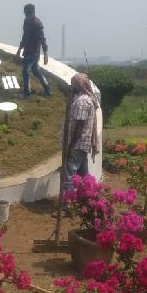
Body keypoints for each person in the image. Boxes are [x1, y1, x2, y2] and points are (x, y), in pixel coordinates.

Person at [54, 72, 100, 217]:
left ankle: (66, 207)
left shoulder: (82, 101)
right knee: (83, 176)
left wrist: (70, 146)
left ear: (78, 85)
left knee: (69, 176)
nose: (71, 86)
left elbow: (79, 126)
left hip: (77, 144)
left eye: (73, 84)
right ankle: (90, 202)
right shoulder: (87, 99)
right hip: (82, 144)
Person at [15, 3, 50, 98]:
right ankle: (47, 89)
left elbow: (38, 38)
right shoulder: (32, 21)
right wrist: (19, 49)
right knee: (35, 70)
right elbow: (28, 37)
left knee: (25, 71)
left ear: (29, 12)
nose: (25, 14)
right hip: (32, 51)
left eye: (26, 12)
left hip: (32, 52)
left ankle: (27, 93)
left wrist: (45, 54)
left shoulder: (33, 22)